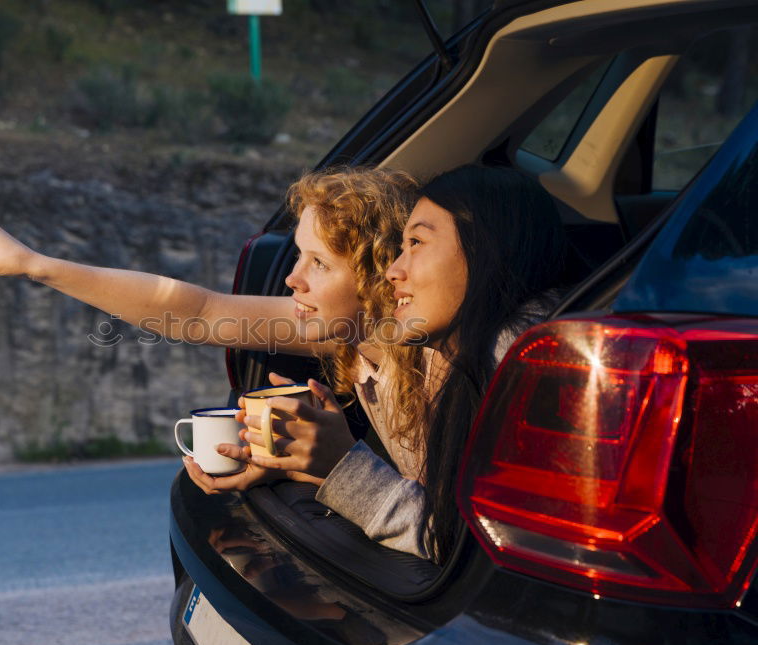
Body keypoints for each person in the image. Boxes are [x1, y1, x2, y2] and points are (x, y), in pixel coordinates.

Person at [0, 167, 420, 490]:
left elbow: (441, 529)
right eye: (298, 254)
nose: (293, 278)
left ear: (381, 277)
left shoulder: (438, 363)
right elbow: (197, 312)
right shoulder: (347, 335)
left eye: (320, 263)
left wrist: (337, 467)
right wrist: (34, 264)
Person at [238, 165, 567, 563]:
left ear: (486, 249)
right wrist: (299, 462)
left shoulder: (521, 360)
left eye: (416, 243)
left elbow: (460, 545)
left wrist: (343, 466)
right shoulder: (473, 350)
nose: (394, 269)